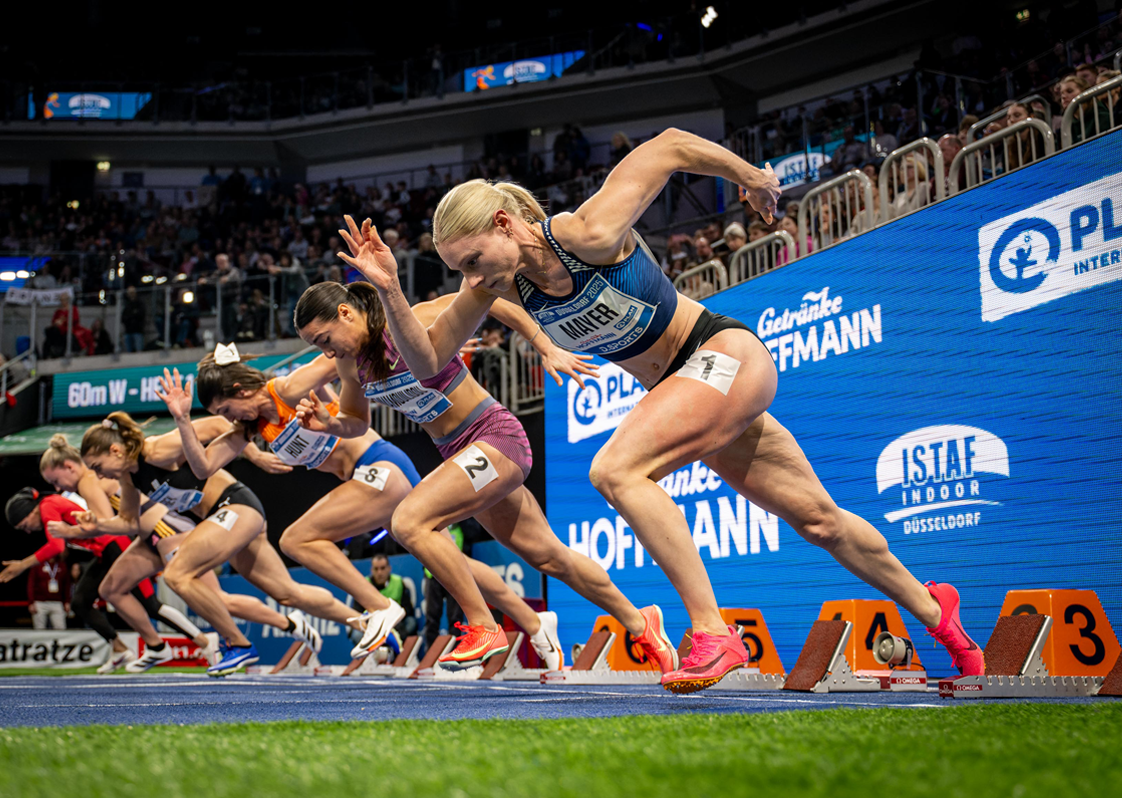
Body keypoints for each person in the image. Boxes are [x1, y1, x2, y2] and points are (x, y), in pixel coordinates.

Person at [366, 128, 985, 693]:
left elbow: (667, 146)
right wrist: (391, 289)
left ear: (504, 223)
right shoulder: (497, 286)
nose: (471, 279)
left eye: (472, 261)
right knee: (820, 521)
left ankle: (713, 631)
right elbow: (429, 361)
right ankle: (940, 614)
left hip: (721, 353)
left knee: (615, 470)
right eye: (460, 270)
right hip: (688, 387)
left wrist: (752, 177)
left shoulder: (584, 234)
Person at [292, 274, 674, 673]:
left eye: (324, 339)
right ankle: (640, 622)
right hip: (460, 454)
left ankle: (483, 626)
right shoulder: (351, 365)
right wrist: (329, 424)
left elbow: (494, 301)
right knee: (549, 556)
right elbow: (355, 421)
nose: (327, 352)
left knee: (408, 521)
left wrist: (546, 346)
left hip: (494, 436)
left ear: (345, 313)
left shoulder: (413, 320)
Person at [185, 340, 564, 667]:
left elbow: (348, 354)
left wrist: (430, 351)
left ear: (239, 390)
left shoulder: (288, 388)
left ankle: (380, 607)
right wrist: (181, 418)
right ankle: (535, 622)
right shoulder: (251, 429)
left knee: (297, 539)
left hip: (378, 464)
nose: (228, 419)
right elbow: (203, 466)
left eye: (225, 410)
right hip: (367, 481)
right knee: (450, 562)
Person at [75, 412, 359, 676]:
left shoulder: (156, 450)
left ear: (115, 450)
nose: (99, 476)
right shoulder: (129, 478)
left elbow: (218, 425)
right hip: (230, 516)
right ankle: (364, 622)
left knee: (177, 574)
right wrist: (91, 526)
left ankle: (238, 644)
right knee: (287, 593)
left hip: (234, 505)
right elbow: (127, 523)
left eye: (98, 467)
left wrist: (256, 456)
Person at [38, 432, 291, 671]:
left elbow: (104, 525)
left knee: (213, 596)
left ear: (69, 467)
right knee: (111, 589)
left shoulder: (90, 480)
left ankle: (282, 625)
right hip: (149, 536)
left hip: (167, 531)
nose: (58, 488)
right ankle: (157, 646)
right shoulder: (105, 474)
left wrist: (71, 531)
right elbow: (118, 523)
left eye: (56, 481)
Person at [0, 486, 209, 674]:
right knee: (80, 602)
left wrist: (22, 565)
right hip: (103, 552)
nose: (28, 531)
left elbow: (56, 546)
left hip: (116, 546)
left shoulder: (47, 505)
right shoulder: (50, 505)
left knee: (151, 605)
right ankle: (120, 649)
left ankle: (204, 643)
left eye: (25, 525)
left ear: (31, 511)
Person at [350, 555, 417, 643]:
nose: (379, 572)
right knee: (357, 634)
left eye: (382, 568)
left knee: (411, 622)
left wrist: (393, 621)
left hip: (395, 624)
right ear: (371, 570)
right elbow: (357, 612)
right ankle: (372, 651)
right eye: (376, 569)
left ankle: (397, 646)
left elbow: (407, 609)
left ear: (389, 568)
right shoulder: (364, 585)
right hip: (371, 627)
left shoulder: (398, 582)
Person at [27, 558, 70, 630]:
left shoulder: (62, 565)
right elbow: (31, 584)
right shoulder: (38, 565)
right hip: (40, 602)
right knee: (39, 629)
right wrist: (31, 602)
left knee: (61, 628)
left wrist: (67, 601)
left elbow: (67, 585)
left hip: (57, 602)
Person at [122, 286, 147, 353]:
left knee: (139, 351)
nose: (131, 294)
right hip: (128, 331)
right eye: (129, 293)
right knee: (129, 351)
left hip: (137, 330)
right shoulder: (127, 305)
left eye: (132, 292)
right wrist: (132, 315)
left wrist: (131, 316)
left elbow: (140, 315)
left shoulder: (140, 303)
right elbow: (124, 317)